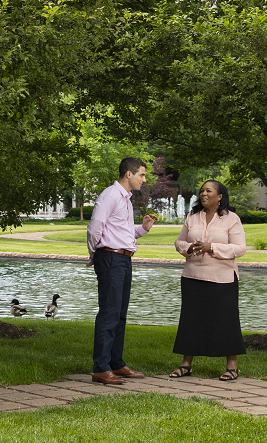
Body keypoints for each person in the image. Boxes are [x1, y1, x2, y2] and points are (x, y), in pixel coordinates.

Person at [87, 157, 157, 385]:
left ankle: (116, 363)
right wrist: (95, 253)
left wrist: (142, 229)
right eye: (142, 175)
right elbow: (95, 227)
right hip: (110, 259)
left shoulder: (125, 200)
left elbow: (122, 234)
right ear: (129, 174)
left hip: (123, 260)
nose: (144, 180)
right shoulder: (110, 195)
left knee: (120, 314)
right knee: (109, 313)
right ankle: (101, 368)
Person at [169, 180, 248, 381]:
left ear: (220, 196)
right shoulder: (192, 217)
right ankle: (186, 364)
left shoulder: (232, 219)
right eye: (202, 190)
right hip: (192, 277)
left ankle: (232, 366)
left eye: (209, 191)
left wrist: (211, 247)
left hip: (223, 279)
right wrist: (188, 248)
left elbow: (239, 249)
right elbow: (179, 242)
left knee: (226, 321)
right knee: (191, 320)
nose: (204, 193)